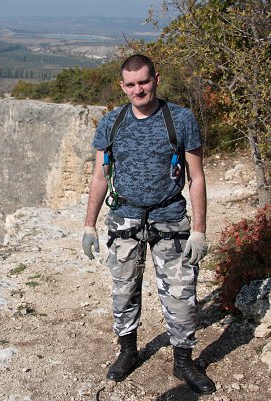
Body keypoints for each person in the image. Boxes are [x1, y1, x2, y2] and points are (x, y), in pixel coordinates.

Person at [82, 54, 215, 394]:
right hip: (124, 219)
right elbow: (100, 176)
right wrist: (88, 225)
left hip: (170, 220)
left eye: (143, 81)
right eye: (131, 84)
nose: (138, 90)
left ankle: (183, 361)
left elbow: (196, 177)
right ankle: (128, 352)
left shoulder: (181, 119)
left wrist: (199, 230)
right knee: (124, 291)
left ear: (156, 78)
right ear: (122, 86)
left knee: (182, 295)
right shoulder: (111, 123)